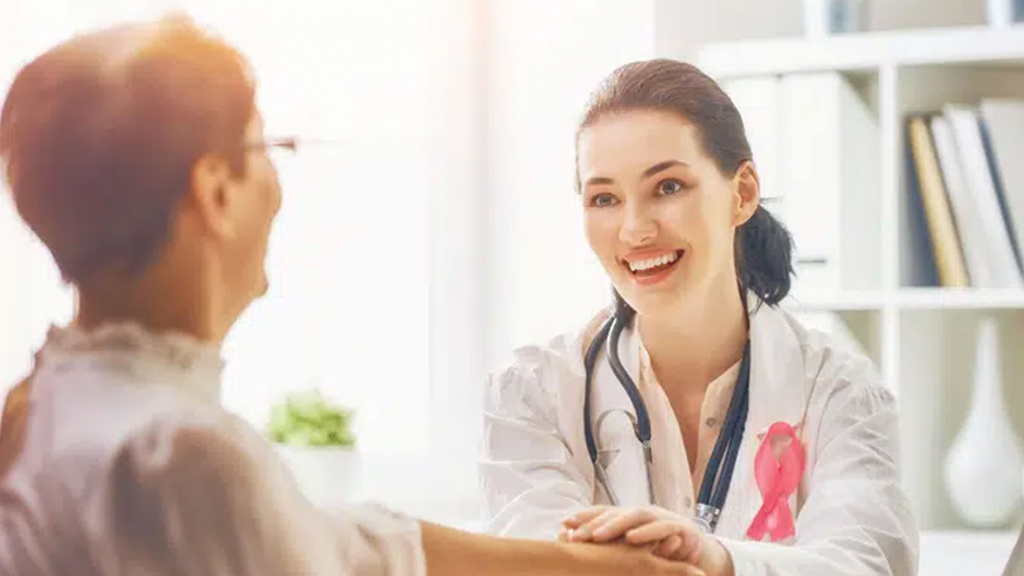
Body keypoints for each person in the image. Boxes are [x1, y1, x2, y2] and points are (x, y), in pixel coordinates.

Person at [0, 16, 706, 576]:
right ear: (215, 193)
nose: (278, 187)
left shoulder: (46, 404)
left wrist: (580, 567)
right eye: (264, 149)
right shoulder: (183, 458)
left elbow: (345, 543)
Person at [479, 58, 919, 576]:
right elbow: (531, 565)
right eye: (604, 198)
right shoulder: (533, 393)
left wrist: (718, 561)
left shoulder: (839, 392)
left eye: (668, 187)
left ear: (743, 193)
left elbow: (863, 563)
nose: (635, 229)